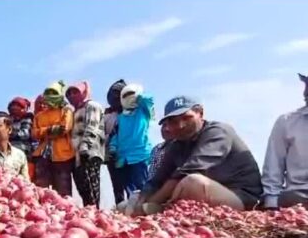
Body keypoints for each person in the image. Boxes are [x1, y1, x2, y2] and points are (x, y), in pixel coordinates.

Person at [127, 96, 262, 216]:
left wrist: (151, 203)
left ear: (200, 113)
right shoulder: (177, 144)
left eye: (186, 118)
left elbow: (189, 171)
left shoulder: (218, 131)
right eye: (173, 121)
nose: (180, 125)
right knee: (128, 203)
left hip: (240, 197)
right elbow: (156, 180)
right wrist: (142, 198)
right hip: (203, 196)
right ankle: (151, 210)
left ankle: (153, 212)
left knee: (193, 182)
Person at [260, 73, 308, 209]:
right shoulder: (287, 122)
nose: (306, 92)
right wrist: (271, 205)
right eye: (307, 86)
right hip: (298, 197)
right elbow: (273, 166)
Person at [108, 83, 154, 198]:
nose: (129, 97)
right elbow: (115, 135)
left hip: (140, 156)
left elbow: (149, 101)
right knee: (130, 190)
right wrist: (113, 149)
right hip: (123, 158)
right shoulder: (120, 118)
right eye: (126, 95)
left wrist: (139, 97)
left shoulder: (143, 112)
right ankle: (133, 213)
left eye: (131, 94)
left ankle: (146, 210)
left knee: (142, 186)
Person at [66, 81, 105, 207]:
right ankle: (89, 215)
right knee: (83, 190)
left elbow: (92, 127)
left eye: (75, 92)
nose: (72, 96)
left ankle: (95, 216)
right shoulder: (75, 111)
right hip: (77, 155)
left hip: (89, 152)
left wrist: (85, 146)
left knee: (92, 190)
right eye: (69, 94)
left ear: (84, 92)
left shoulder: (92, 105)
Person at [32, 81, 75, 195]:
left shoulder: (66, 110)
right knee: (41, 190)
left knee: (63, 191)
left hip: (63, 156)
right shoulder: (39, 116)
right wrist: (50, 130)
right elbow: (34, 133)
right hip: (42, 155)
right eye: (48, 93)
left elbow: (64, 128)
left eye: (54, 93)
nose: (51, 95)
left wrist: (45, 131)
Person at [104, 79, 127, 205]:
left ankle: (135, 210)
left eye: (118, 95)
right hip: (112, 155)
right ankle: (121, 208)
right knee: (117, 186)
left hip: (129, 153)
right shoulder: (107, 115)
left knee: (132, 185)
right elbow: (102, 133)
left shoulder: (132, 113)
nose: (115, 98)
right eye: (113, 96)